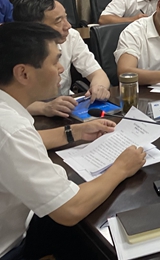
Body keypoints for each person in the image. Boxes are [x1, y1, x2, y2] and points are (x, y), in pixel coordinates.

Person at [0, 22, 146, 259]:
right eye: (54, 62)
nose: (61, 69)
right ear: (23, 73)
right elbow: (69, 209)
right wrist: (121, 168)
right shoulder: (10, 129)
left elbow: (18, 143)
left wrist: (74, 132)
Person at [13, 0, 111, 118]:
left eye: (66, 17)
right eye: (59, 21)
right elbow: (6, 101)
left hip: (64, 109)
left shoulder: (71, 36)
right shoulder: (11, 49)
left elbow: (97, 73)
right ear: (35, 27)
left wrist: (99, 87)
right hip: (24, 116)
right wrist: (43, 108)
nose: (68, 26)